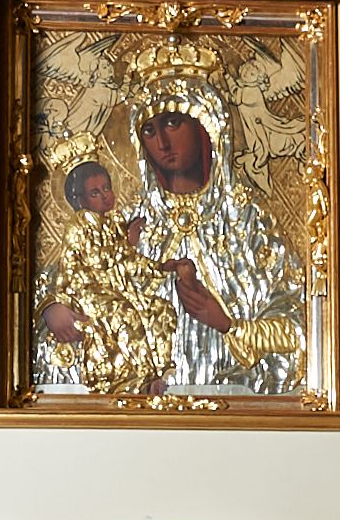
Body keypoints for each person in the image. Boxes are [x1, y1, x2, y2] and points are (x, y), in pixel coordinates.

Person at [128, 59, 306, 396]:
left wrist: (228, 325)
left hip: (235, 404)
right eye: (149, 131)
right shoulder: (132, 225)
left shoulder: (248, 221)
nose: (162, 143)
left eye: (173, 122)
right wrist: (54, 309)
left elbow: (300, 326)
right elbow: (85, 295)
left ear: (205, 125)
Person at [36, 160, 177, 398]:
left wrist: (159, 267)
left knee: (161, 310)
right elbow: (82, 266)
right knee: (126, 314)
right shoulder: (79, 226)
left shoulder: (113, 225)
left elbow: (129, 261)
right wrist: (124, 245)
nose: (104, 196)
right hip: (87, 291)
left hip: (117, 290)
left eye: (106, 188)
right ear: (80, 200)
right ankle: (137, 380)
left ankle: (160, 374)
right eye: (95, 193)